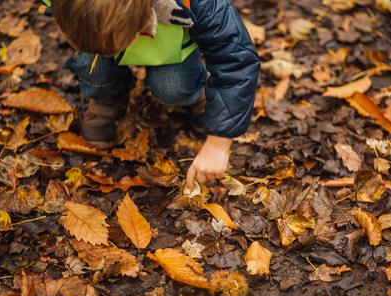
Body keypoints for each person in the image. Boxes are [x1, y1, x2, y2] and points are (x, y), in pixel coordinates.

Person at [42, 0, 260, 190]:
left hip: (168, 42)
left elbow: (236, 59)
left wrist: (218, 144)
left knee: (174, 88)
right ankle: (107, 97)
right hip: (97, 26)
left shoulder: (200, 2)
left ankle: (192, 93)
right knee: (92, 63)